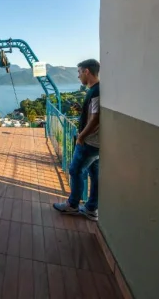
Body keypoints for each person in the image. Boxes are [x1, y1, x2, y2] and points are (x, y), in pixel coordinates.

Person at [53, 59, 100, 221]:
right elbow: (93, 114)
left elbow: (95, 118)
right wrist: (81, 110)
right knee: (95, 175)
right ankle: (91, 208)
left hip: (89, 142)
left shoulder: (95, 91)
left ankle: (72, 205)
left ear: (87, 71)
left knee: (75, 170)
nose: (78, 76)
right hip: (97, 143)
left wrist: (81, 136)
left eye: (79, 72)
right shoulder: (96, 90)